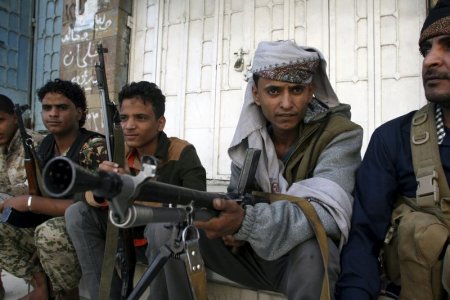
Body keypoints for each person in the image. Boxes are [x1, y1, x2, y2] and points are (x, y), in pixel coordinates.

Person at [146, 40, 363, 300]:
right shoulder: (251, 139)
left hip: (297, 262)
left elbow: (325, 215)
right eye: (273, 91)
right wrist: (232, 226)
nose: (286, 103)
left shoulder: (340, 135)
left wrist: (246, 223)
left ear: (311, 91)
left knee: (314, 249)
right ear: (256, 95)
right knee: (166, 227)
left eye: (296, 90)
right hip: (251, 254)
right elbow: (237, 199)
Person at [336, 1, 450, 299]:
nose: (430, 61)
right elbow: (363, 240)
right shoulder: (393, 140)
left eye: (448, 46)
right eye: (426, 50)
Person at [65, 81, 207, 299]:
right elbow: (79, 196)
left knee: (163, 225)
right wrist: (102, 188)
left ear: (160, 123)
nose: (129, 126)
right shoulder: (117, 151)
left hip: (164, 240)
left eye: (140, 118)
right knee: (76, 214)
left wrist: (134, 192)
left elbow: (197, 205)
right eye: (124, 118)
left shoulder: (181, 152)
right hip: (126, 235)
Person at [0, 79, 108, 300]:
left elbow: (91, 204)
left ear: (79, 113)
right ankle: (43, 287)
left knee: (49, 232)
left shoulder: (93, 147)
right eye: (47, 108)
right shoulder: (46, 144)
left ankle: (68, 296)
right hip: (53, 221)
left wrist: (31, 203)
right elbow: (37, 186)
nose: (53, 113)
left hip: (91, 229)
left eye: (62, 107)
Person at [0, 94, 44, 300]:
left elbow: (37, 191)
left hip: (38, 221)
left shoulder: (34, 144)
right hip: (11, 220)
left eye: (1, 120)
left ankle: (41, 284)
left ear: (15, 119)